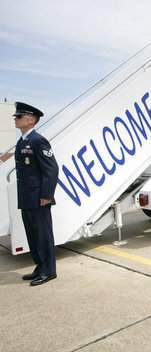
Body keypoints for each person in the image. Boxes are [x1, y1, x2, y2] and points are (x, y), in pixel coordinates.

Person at [14, 102, 59, 286]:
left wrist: (47, 195)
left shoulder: (38, 140)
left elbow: (51, 169)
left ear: (31, 120)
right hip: (26, 197)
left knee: (43, 235)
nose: (16, 119)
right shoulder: (22, 141)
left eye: (19, 116)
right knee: (32, 235)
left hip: (39, 198)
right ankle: (40, 267)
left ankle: (48, 270)